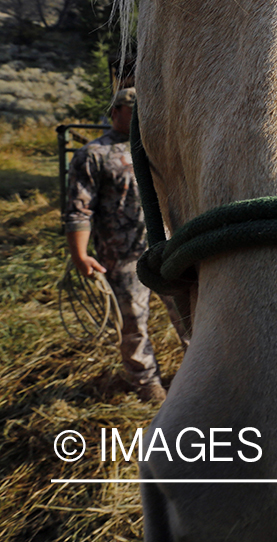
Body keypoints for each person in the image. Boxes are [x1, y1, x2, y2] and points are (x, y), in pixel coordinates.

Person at [64, 88, 187, 403]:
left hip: (167, 248)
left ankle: (196, 373)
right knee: (132, 324)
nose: (139, 117)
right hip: (122, 258)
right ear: (116, 111)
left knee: (189, 312)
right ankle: (147, 384)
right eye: (133, 111)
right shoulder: (92, 155)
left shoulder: (156, 148)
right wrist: (80, 254)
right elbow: (79, 209)